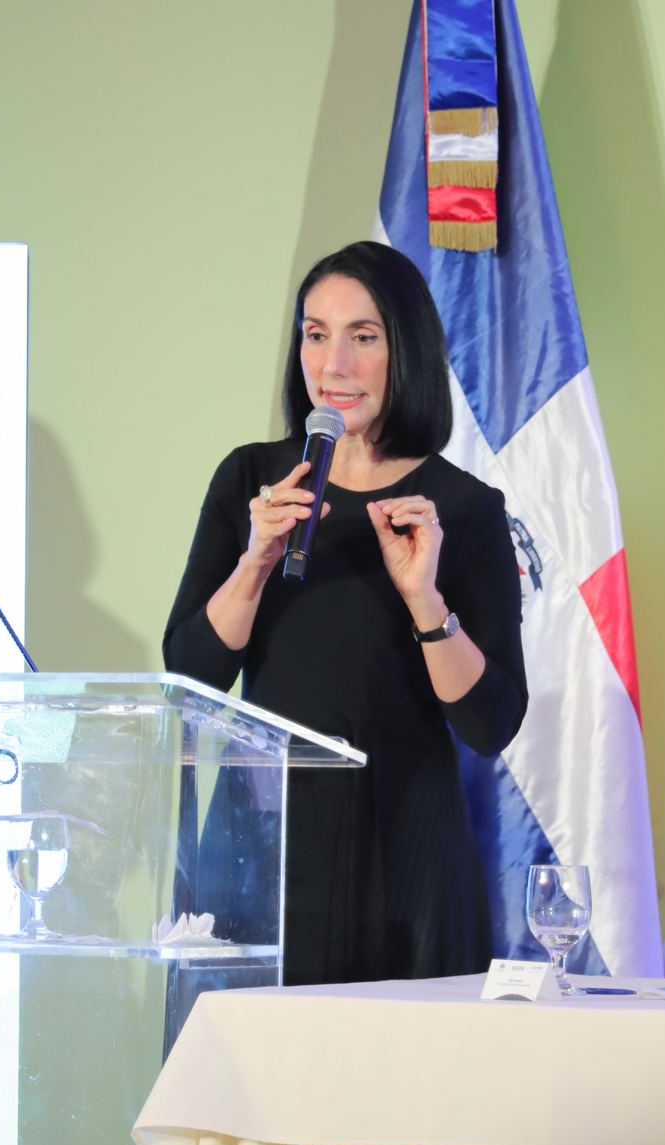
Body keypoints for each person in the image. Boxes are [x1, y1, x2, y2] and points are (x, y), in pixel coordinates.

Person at [163, 240, 527, 986]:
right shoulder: (251, 481)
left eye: (363, 336)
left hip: (404, 847)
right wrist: (255, 561)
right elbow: (193, 673)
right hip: (260, 845)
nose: (333, 365)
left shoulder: (462, 508)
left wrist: (425, 600)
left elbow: (489, 723)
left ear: (406, 351)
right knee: (250, 1060)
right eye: (315, 334)